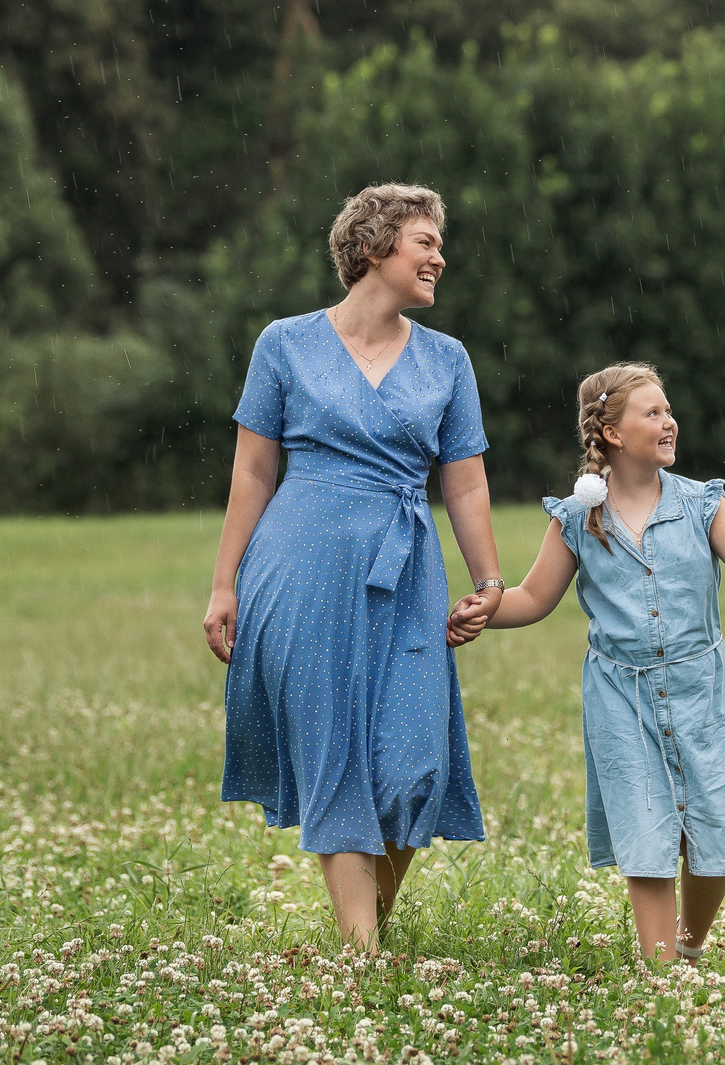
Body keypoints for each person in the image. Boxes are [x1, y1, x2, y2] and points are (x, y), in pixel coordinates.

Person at [201, 182, 510, 952]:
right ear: (374, 248)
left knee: (415, 769)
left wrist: (489, 581)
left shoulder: (447, 361)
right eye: (425, 242)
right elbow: (252, 475)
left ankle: (364, 927)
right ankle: (360, 960)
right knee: (332, 752)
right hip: (297, 565)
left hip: (406, 571)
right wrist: (223, 583)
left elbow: (464, 481)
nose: (440, 256)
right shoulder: (284, 344)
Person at [463, 364, 725, 964]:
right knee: (645, 834)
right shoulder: (576, 518)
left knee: (713, 836)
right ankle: (662, 972)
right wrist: (484, 611)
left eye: (669, 411)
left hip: (700, 690)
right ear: (612, 434)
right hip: (621, 696)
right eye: (653, 413)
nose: (670, 422)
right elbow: (534, 599)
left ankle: (690, 947)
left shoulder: (701, 505)